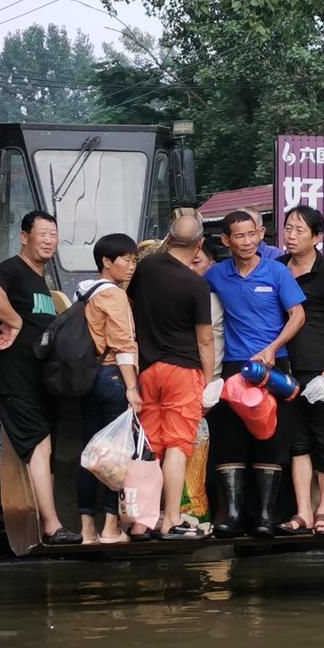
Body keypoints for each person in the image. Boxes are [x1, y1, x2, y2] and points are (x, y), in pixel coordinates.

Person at [0, 209, 81, 546]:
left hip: (40, 381)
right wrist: (15, 321)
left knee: (44, 450)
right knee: (39, 445)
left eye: (54, 234)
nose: (49, 240)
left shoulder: (40, 280)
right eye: (43, 234)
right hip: (15, 378)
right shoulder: (13, 270)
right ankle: (51, 527)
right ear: (24, 237)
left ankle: (44, 524)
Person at [204, 210, 306, 538]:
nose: (247, 242)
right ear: (226, 240)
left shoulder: (276, 271)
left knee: (271, 437)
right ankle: (233, 517)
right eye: (239, 236)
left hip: (274, 367)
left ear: (261, 234)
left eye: (252, 234)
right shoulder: (215, 275)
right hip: (233, 368)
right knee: (229, 438)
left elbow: (298, 315)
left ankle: (265, 517)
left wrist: (274, 348)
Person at [127, 213, 217, 539]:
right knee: (178, 445)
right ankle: (170, 519)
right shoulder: (196, 284)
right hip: (182, 371)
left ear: (167, 237)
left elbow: (131, 306)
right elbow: (205, 339)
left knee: (149, 446)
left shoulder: (145, 269)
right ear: (200, 244)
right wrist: (207, 380)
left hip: (148, 370)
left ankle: (140, 521)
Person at [278, 205, 324, 536]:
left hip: (321, 371)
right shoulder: (277, 268)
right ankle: (303, 511)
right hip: (285, 371)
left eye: (299, 230)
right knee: (297, 442)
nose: (291, 236)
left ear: (318, 237)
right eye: (288, 229)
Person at [78, 233, 141, 545]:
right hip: (113, 377)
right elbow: (122, 345)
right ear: (107, 262)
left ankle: (87, 528)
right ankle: (110, 528)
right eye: (126, 259)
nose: (131, 266)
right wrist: (132, 387)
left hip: (89, 379)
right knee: (115, 456)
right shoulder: (113, 296)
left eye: (134, 260)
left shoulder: (86, 292)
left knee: (91, 454)